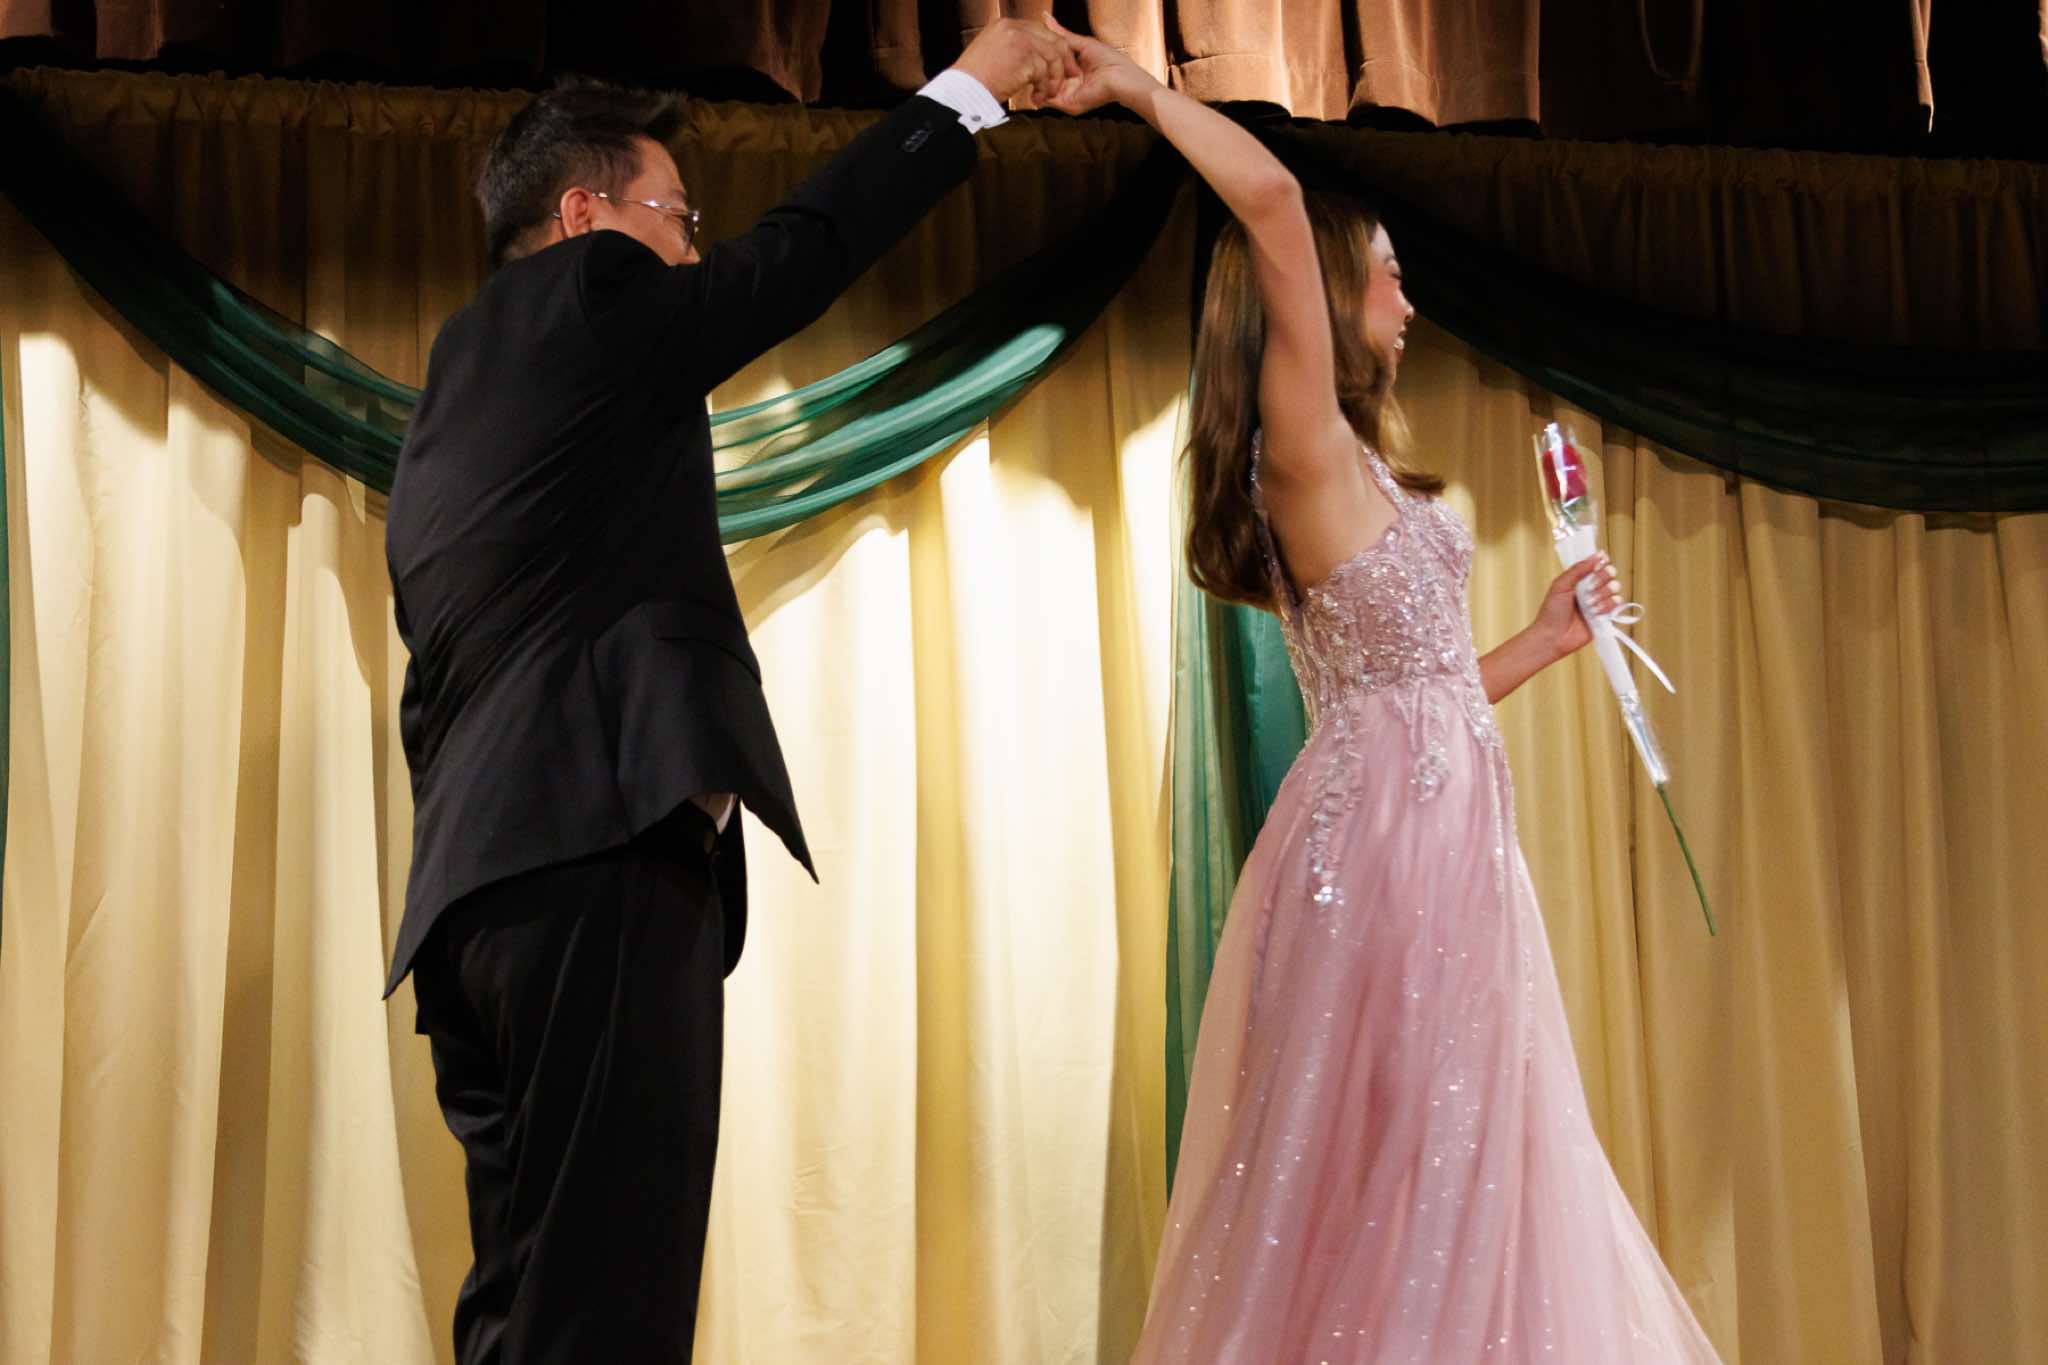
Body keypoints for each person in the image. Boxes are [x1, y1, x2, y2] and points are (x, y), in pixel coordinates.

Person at [382, 24, 1077, 1364]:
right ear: (583, 216)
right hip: (594, 854)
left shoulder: (453, 396)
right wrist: (967, 95)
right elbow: (793, 262)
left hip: (474, 908)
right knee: (611, 1309)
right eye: (677, 217)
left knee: (523, 1310)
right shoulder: (592, 289)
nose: (692, 250)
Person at [1043, 18, 1725, 1364]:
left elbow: (1417, 692)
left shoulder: (1355, 462)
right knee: (1416, 1144)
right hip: (1388, 851)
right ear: (1323, 296)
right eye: (1390, 280)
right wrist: (1132, 84)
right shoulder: (1300, 442)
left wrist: (1539, 640)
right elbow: (1270, 198)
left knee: (1457, 1144)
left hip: (1442, 835)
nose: (1409, 306)